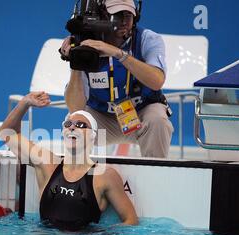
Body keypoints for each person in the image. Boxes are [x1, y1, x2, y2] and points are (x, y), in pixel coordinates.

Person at [0, 92, 138, 231]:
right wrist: (25, 102)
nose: (72, 127)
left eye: (81, 125)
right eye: (68, 123)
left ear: (93, 136)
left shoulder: (104, 175)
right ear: (63, 132)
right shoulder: (48, 163)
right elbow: (6, 133)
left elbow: (130, 220)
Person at [60, 0, 174, 158]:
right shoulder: (87, 44)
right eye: (117, 14)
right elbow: (75, 108)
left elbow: (157, 81)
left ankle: (155, 178)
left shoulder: (148, 39)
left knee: (158, 120)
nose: (124, 21)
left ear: (137, 16)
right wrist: (76, 61)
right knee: (74, 122)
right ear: (103, 15)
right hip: (102, 117)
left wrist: (119, 54)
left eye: (129, 15)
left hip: (140, 112)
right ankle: (75, 179)